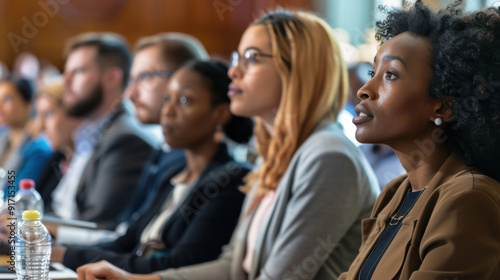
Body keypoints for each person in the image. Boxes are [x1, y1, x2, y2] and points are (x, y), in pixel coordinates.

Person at [76, 9, 379, 280]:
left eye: (252, 58)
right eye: (237, 59)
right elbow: (233, 266)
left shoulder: (328, 157)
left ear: (298, 68)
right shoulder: (274, 156)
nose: (234, 71)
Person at [339, 1, 500, 279]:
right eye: (372, 72)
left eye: (390, 75)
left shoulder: (468, 200)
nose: (365, 90)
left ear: (444, 107)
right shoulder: (395, 193)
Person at [53, 60, 252, 274]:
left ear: (220, 113)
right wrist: (62, 252)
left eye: (184, 100)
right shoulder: (173, 174)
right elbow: (126, 243)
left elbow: (179, 265)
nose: (168, 111)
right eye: (167, 99)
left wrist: (66, 255)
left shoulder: (231, 180)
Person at [52, 33, 210, 246]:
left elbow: (162, 253)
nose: (130, 93)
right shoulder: (165, 155)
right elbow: (131, 238)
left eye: (145, 77)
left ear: (183, 80)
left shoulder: (132, 141)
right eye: (133, 79)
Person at [49, 33, 154, 229]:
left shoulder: (125, 140)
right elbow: (64, 211)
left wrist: (28, 228)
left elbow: (97, 224)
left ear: (111, 78)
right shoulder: (90, 132)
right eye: (66, 71)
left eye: (78, 71)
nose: (66, 80)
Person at [0, 77, 52, 195]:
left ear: (28, 104)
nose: (0, 106)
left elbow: (15, 197)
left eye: (7, 99)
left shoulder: (38, 149)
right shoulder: (3, 139)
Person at [34, 82, 82, 210]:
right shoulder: (58, 158)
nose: (41, 127)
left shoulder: (88, 160)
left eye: (48, 114)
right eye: (39, 116)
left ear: (72, 112)